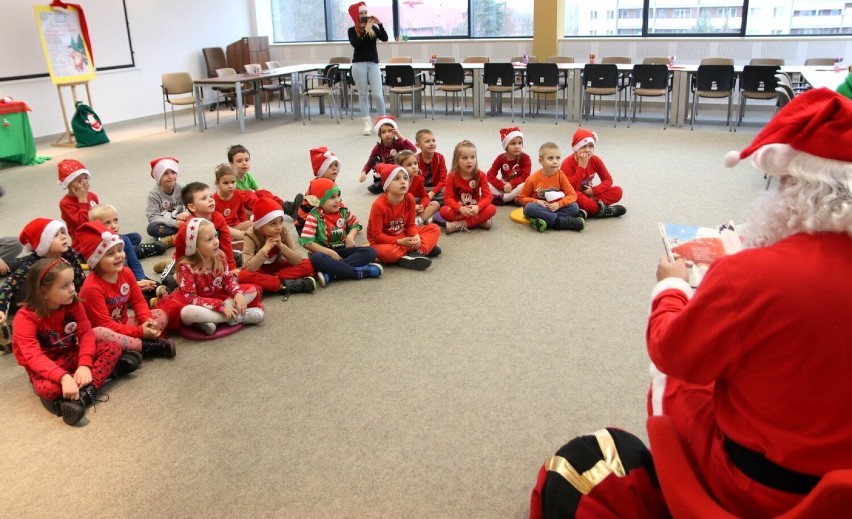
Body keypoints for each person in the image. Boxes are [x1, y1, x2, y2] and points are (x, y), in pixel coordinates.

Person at [647, 89, 852, 517]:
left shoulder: (749, 276)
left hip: (761, 489)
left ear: (792, 183)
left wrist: (671, 290)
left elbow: (672, 352)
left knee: (673, 380)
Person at [11, 258, 134, 426]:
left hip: (70, 355)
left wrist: (84, 364)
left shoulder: (73, 304)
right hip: (44, 366)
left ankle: (84, 395)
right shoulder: (25, 318)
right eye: (64, 286)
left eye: (72, 283)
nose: (72, 290)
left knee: (112, 347)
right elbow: (33, 357)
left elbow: (86, 334)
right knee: (49, 389)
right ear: (43, 292)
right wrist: (63, 378)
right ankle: (107, 374)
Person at [76, 221, 176, 360]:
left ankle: (135, 345)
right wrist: (139, 331)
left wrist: (147, 321)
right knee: (98, 334)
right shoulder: (91, 288)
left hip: (123, 325)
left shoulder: (126, 272)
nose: (118, 256)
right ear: (96, 260)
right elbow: (104, 324)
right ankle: (145, 346)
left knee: (160, 314)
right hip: (107, 331)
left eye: (119, 250)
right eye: (110, 253)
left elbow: (138, 301)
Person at [155, 218, 263, 336]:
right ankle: (236, 317)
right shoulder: (186, 267)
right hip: (196, 303)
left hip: (219, 296)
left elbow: (228, 281)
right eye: (209, 239)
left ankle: (212, 320)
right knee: (186, 313)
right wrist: (219, 306)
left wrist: (238, 293)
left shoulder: (220, 256)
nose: (216, 241)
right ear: (194, 246)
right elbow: (191, 299)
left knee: (252, 290)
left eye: (215, 236)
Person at [0, 219, 86, 326]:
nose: (63, 236)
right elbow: (9, 285)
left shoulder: (69, 253)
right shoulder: (33, 264)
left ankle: (8, 263)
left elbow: (80, 278)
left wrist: (85, 297)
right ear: (43, 243)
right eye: (55, 235)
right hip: (35, 306)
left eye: (62, 232)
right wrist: (1, 308)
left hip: (57, 299)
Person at [299, 178, 382, 286]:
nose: (337, 200)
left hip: (343, 250)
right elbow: (306, 241)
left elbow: (355, 225)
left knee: (371, 251)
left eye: (338, 195)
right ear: (320, 200)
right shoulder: (314, 215)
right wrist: (329, 252)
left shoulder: (342, 210)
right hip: (324, 253)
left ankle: (332, 273)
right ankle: (356, 272)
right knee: (316, 258)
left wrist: (350, 237)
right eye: (332, 197)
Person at [367, 163, 442, 270]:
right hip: (384, 241)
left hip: (403, 235)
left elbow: (410, 225)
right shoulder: (378, 205)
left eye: (405, 178)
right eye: (397, 179)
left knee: (434, 228)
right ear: (387, 185)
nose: (403, 181)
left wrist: (415, 236)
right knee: (388, 252)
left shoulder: (409, 198)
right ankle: (421, 250)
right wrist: (400, 242)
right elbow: (377, 236)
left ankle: (416, 252)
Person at [238, 197, 317, 297]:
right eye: (273, 223)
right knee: (243, 276)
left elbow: (297, 260)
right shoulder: (251, 235)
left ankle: (272, 284)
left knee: (308, 264)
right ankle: (284, 285)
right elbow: (249, 267)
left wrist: (281, 246)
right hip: (259, 269)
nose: (279, 227)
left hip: (277, 269)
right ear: (260, 225)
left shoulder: (282, 231)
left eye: (281, 221)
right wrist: (266, 248)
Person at [89, 204, 164, 294]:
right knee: (139, 295)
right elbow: (102, 278)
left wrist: (142, 279)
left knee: (155, 285)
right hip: (114, 286)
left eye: (115, 220)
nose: (114, 226)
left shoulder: (124, 240)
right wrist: (134, 285)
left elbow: (134, 263)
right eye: (107, 223)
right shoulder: (98, 249)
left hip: (131, 278)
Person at [518, 142, 585, 233]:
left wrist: (559, 204)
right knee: (529, 209)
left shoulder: (561, 175)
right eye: (550, 158)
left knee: (574, 207)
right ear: (541, 161)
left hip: (556, 206)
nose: (555, 161)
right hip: (540, 207)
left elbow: (572, 195)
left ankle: (547, 220)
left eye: (558, 158)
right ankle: (559, 222)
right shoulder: (532, 179)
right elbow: (521, 198)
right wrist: (537, 201)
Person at [560, 129, 626, 218]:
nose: (587, 150)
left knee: (617, 191)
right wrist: (581, 167)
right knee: (576, 196)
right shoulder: (567, 164)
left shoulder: (595, 160)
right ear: (576, 148)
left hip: (589, 195)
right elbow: (570, 189)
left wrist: (594, 191)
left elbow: (608, 180)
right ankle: (601, 211)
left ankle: (588, 209)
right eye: (583, 146)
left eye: (590, 146)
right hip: (574, 194)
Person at [438, 140, 497, 234]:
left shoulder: (481, 175)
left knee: (492, 208)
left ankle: (460, 224)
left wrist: (478, 207)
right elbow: (447, 198)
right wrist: (460, 208)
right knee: (444, 211)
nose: (469, 161)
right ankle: (480, 222)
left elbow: (488, 196)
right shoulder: (451, 176)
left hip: (475, 209)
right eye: (465, 158)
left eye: (472, 157)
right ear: (457, 160)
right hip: (459, 210)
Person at [348, 1, 388, 135]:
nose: (364, 15)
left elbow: (385, 38)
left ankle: (383, 122)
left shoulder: (373, 29)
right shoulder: (352, 31)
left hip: (373, 64)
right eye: (361, 13)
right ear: (355, 15)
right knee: (363, 95)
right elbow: (357, 44)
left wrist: (380, 24)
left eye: (366, 13)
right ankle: (366, 124)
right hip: (358, 65)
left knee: (378, 94)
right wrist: (365, 30)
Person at [359, 116, 417, 194]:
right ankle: (382, 182)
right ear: (379, 134)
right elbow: (370, 161)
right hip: (386, 171)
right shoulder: (378, 147)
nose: (387, 134)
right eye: (383, 132)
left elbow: (413, 150)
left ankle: (382, 184)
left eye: (390, 131)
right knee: (373, 159)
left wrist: (400, 136)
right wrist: (364, 172)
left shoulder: (399, 143)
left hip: (399, 170)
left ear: (394, 132)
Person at [226, 144, 289, 213]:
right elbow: (234, 204)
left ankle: (285, 207)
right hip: (241, 206)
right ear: (231, 164)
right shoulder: (230, 180)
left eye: (246, 160)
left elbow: (259, 191)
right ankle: (267, 210)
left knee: (263, 193)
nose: (244, 163)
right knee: (248, 194)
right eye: (239, 161)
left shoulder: (248, 175)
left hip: (251, 203)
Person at [293, 146, 341, 233]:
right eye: (330, 166)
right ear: (321, 170)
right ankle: (292, 206)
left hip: (317, 217)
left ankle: (295, 204)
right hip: (305, 224)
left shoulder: (331, 183)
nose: (335, 168)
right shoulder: (317, 186)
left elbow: (337, 203)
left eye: (336, 165)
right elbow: (318, 210)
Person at [146, 156, 189, 245]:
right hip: (168, 224)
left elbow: (193, 203)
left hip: (184, 220)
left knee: (200, 214)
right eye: (165, 174)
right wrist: (174, 223)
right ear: (158, 177)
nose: (170, 176)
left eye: (173, 172)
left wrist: (186, 212)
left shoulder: (183, 187)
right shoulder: (154, 194)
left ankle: (172, 237)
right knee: (151, 228)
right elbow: (152, 217)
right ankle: (184, 233)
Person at [57, 159, 99, 243]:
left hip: (99, 235)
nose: (84, 183)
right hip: (83, 243)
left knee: (132, 237)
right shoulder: (65, 204)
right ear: (68, 184)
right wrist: (82, 200)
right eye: (79, 180)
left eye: (86, 178)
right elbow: (84, 226)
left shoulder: (92, 196)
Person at [487, 126, 532, 206]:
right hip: (504, 187)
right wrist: (502, 186)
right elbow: (490, 175)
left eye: (519, 143)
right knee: (486, 184)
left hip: (517, 186)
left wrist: (512, 184)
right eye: (513, 143)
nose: (517, 146)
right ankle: (510, 198)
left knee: (525, 184)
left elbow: (525, 176)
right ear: (506, 146)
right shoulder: (500, 158)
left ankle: (503, 199)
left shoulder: (526, 158)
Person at [395, 150, 440, 225]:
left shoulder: (418, 179)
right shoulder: (397, 182)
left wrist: (422, 205)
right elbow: (396, 202)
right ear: (400, 168)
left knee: (435, 204)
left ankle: (418, 220)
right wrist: (412, 208)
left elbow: (425, 196)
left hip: (415, 207)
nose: (414, 167)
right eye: (409, 165)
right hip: (402, 209)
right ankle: (421, 219)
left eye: (415, 163)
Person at [212, 163, 253, 242]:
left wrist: (245, 223)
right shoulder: (213, 200)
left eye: (233, 182)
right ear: (217, 183)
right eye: (226, 183)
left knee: (253, 224)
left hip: (237, 226)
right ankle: (241, 236)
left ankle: (241, 236)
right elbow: (216, 222)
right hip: (224, 229)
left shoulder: (237, 194)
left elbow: (241, 213)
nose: (230, 186)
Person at [415, 129, 447, 209]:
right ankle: (428, 202)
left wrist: (433, 192)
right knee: (407, 194)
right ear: (418, 145)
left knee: (449, 192)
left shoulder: (440, 158)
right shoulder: (416, 159)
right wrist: (423, 192)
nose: (432, 144)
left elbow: (443, 180)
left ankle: (426, 202)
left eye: (433, 141)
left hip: (437, 189)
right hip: (422, 189)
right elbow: (415, 179)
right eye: (427, 141)